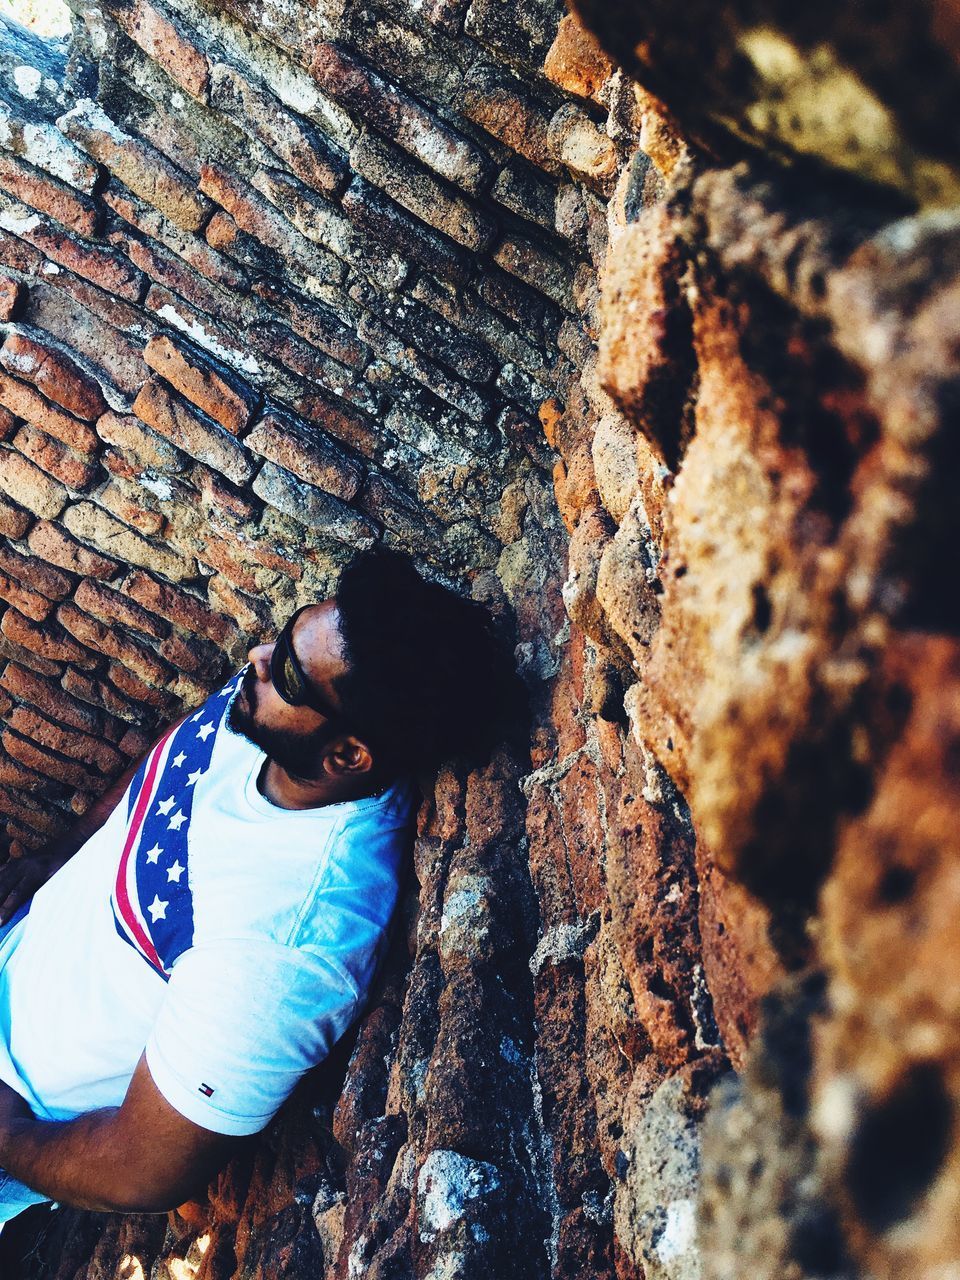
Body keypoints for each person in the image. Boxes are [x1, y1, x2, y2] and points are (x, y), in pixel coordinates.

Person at [0, 548, 517, 1223]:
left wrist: (7, 1137)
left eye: (290, 675)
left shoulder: (287, 937)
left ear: (349, 756)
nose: (257, 656)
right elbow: (172, 761)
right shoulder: (271, 723)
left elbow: (141, 1171)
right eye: (287, 634)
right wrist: (66, 853)